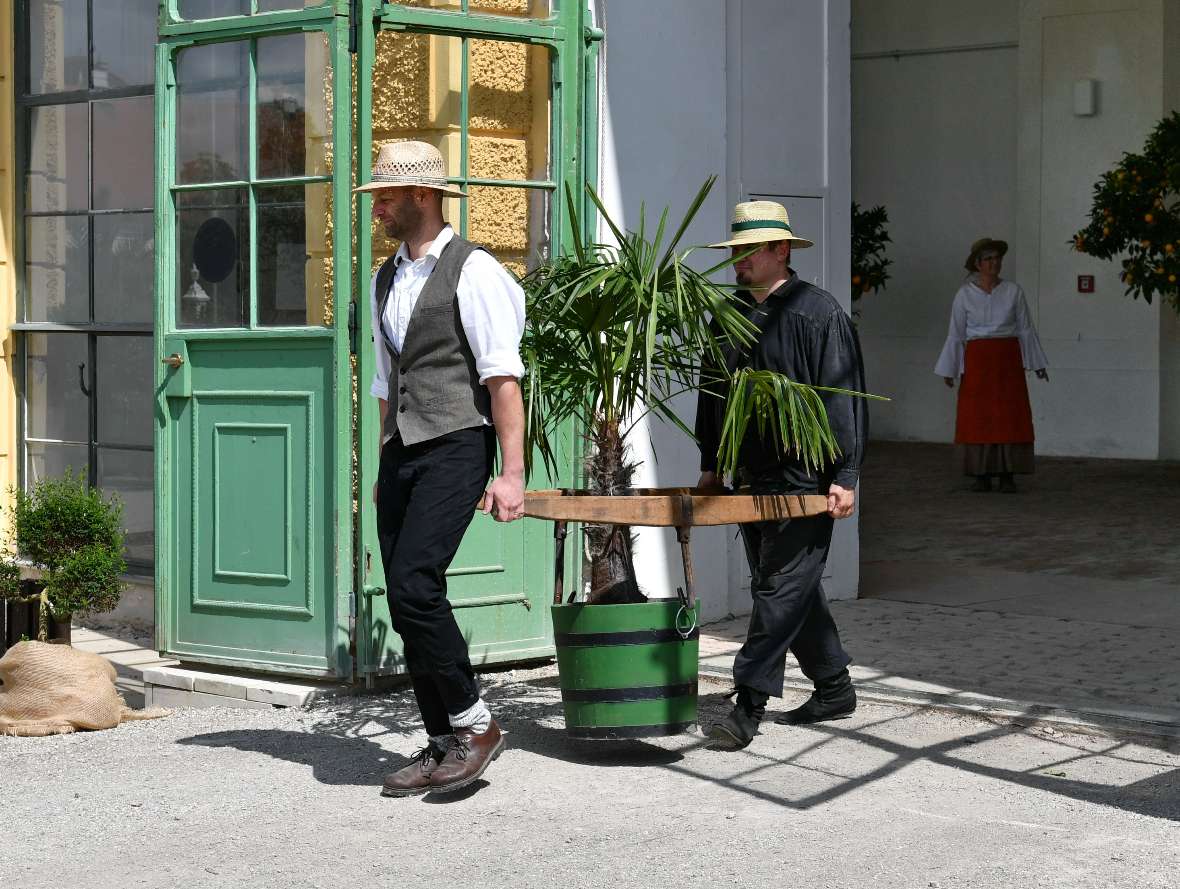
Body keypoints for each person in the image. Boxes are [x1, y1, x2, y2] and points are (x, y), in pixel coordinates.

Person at [354, 141, 526, 796]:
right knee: (403, 600)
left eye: (388, 198)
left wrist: (510, 473)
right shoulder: (385, 277)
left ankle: (475, 723)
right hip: (404, 450)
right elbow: (382, 377)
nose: (380, 209)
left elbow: (502, 379)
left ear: (423, 197)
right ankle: (442, 740)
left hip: (459, 440)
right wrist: (383, 459)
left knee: (417, 582)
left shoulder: (475, 270)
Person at [695, 200, 868, 750]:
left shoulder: (819, 313)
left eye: (750, 251)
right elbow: (711, 394)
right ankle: (834, 687)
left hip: (806, 477)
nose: (739, 261)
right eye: (736, 251)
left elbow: (844, 396)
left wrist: (847, 472)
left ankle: (747, 702)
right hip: (747, 475)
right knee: (790, 587)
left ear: (781, 251)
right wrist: (709, 463)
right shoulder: (726, 312)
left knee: (779, 586)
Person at [934, 238, 1049, 493]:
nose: (994, 263)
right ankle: (981, 473)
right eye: (988, 259)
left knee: (1010, 414)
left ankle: (1007, 473)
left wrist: (1037, 364)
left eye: (997, 258)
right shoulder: (965, 294)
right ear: (977, 264)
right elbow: (956, 332)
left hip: (1007, 358)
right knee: (978, 416)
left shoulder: (1013, 291)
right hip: (978, 360)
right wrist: (949, 368)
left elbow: (1025, 328)